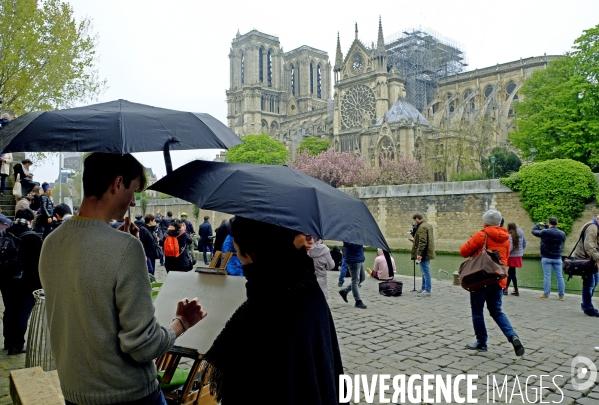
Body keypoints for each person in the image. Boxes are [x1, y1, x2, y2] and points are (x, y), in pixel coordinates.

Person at [39, 152, 207, 405]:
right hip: (127, 393)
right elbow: (144, 346)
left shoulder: (52, 242)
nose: (132, 203)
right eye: (135, 190)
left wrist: (126, 246)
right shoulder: (124, 248)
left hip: (75, 391)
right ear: (117, 184)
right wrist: (182, 322)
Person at [197, 216, 344, 404]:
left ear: (249, 255)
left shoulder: (261, 311)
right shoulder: (306, 286)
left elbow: (244, 387)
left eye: (237, 248)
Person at [460, 209, 525, 356]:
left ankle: (481, 342)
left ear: (485, 222)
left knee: (477, 312)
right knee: (496, 311)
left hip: (481, 278)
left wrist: (473, 243)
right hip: (497, 278)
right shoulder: (506, 238)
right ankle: (512, 336)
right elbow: (505, 258)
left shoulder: (481, 235)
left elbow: (463, 251)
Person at [0, 209, 42, 355]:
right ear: (31, 221)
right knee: (22, 313)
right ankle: (17, 345)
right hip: (26, 283)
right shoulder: (34, 238)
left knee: (9, 310)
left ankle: (8, 341)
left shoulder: (4, 233)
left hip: (6, 280)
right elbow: (40, 264)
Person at [532, 217, 566, 301]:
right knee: (560, 277)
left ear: (549, 223)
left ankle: (546, 294)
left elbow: (534, 231)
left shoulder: (545, 232)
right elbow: (562, 241)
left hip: (546, 257)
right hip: (557, 257)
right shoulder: (562, 233)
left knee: (547, 276)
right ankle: (561, 295)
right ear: (557, 223)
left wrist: (538, 224)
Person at [572, 216, 599, 316]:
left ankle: (586, 304)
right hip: (585, 260)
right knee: (589, 284)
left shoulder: (594, 226)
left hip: (589, 259)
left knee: (595, 281)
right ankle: (588, 308)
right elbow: (590, 246)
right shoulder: (593, 228)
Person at [411, 213, 436, 296]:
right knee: (423, 271)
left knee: (425, 271)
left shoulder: (421, 227)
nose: (415, 221)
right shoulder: (427, 225)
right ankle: (423, 287)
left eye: (415, 220)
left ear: (418, 218)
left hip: (424, 253)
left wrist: (419, 253)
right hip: (427, 251)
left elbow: (423, 241)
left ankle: (427, 289)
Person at [338, 242, 367, 309]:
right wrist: (361, 243)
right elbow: (354, 246)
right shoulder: (350, 236)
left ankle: (344, 291)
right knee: (355, 280)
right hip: (353, 260)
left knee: (362, 278)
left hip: (358, 258)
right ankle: (358, 301)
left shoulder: (355, 235)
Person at [505, 222, 526, 296]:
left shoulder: (510, 235)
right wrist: (519, 251)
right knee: (512, 272)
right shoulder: (521, 234)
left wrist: (506, 254)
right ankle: (511, 289)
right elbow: (524, 244)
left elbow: (510, 247)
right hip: (518, 255)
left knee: (511, 273)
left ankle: (508, 289)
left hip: (512, 256)